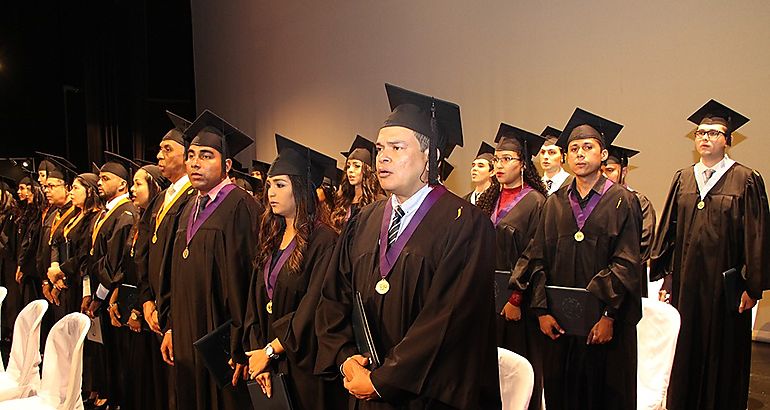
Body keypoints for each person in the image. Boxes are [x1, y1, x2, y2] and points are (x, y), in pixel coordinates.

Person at [315, 83, 501, 409]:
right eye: (379, 148)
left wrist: (383, 381)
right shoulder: (363, 220)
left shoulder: (466, 224)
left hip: (428, 396)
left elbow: (449, 319)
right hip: (363, 385)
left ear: (431, 156)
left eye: (397, 148)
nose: (383, 157)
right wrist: (346, 359)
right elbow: (333, 298)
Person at [513, 108, 642, 410]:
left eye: (588, 147)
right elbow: (537, 258)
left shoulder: (623, 200)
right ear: (566, 157)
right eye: (573, 149)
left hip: (605, 327)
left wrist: (608, 316)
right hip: (560, 327)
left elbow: (626, 263)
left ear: (603, 153)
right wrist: (542, 310)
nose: (580, 154)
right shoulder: (554, 203)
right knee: (563, 394)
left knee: (605, 396)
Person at [650, 100, 770, 410]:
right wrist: (668, 279)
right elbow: (670, 234)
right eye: (700, 132)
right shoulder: (683, 178)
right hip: (688, 282)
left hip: (725, 287)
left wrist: (750, 287)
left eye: (714, 133)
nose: (705, 138)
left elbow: (756, 236)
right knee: (687, 347)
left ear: (728, 140)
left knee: (723, 350)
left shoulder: (745, 179)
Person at [158, 110, 262, 410]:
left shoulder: (242, 206)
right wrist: (172, 327)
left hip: (223, 340)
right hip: (187, 332)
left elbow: (248, 281)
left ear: (227, 165)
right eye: (191, 155)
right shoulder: (189, 206)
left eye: (206, 156)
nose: (195, 163)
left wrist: (243, 345)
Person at [244, 135, 346, 409]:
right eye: (268, 186)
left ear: (300, 189)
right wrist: (259, 356)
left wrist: (271, 350)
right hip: (271, 363)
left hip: (304, 366)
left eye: (279, 185)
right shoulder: (272, 235)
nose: (270, 193)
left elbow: (313, 307)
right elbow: (255, 301)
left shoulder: (324, 240)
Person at [136, 110, 196, 410]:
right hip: (156, 306)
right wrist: (147, 297)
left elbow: (179, 263)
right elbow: (144, 251)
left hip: (177, 312)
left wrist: (168, 311)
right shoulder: (162, 198)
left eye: (167, 148)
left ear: (187, 157)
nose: (159, 154)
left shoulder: (192, 200)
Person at [489, 123, 547, 410]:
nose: (500, 165)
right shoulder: (490, 200)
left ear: (523, 163)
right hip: (488, 299)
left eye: (507, 159)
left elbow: (535, 254)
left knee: (520, 369)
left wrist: (515, 297)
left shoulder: (536, 202)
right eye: (496, 159)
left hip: (518, 305)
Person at [602, 145, 656, 296]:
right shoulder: (594, 204)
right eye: (601, 171)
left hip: (628, 284)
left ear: (624, 171)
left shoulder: (639, 202)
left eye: (610, 170)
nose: (604, 176)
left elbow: (643, 246)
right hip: (597, 283)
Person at [331, 135, 384, 232]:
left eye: (356, 166)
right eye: (348, 166)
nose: (350, 170)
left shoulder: (378, 202)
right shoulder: (344, 199)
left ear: (367, 170)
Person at [463, 141, 498, 213]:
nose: (474, 169)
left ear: (492, 172)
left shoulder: (497, 199)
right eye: (473, 165)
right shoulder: (465, 200)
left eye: (480, 166)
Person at [539, 127, 571, 195]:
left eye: (552, 152)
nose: (545, 157)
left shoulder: (572, 183)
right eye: (543, 152)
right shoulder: (536, 184)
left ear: (563, 157)